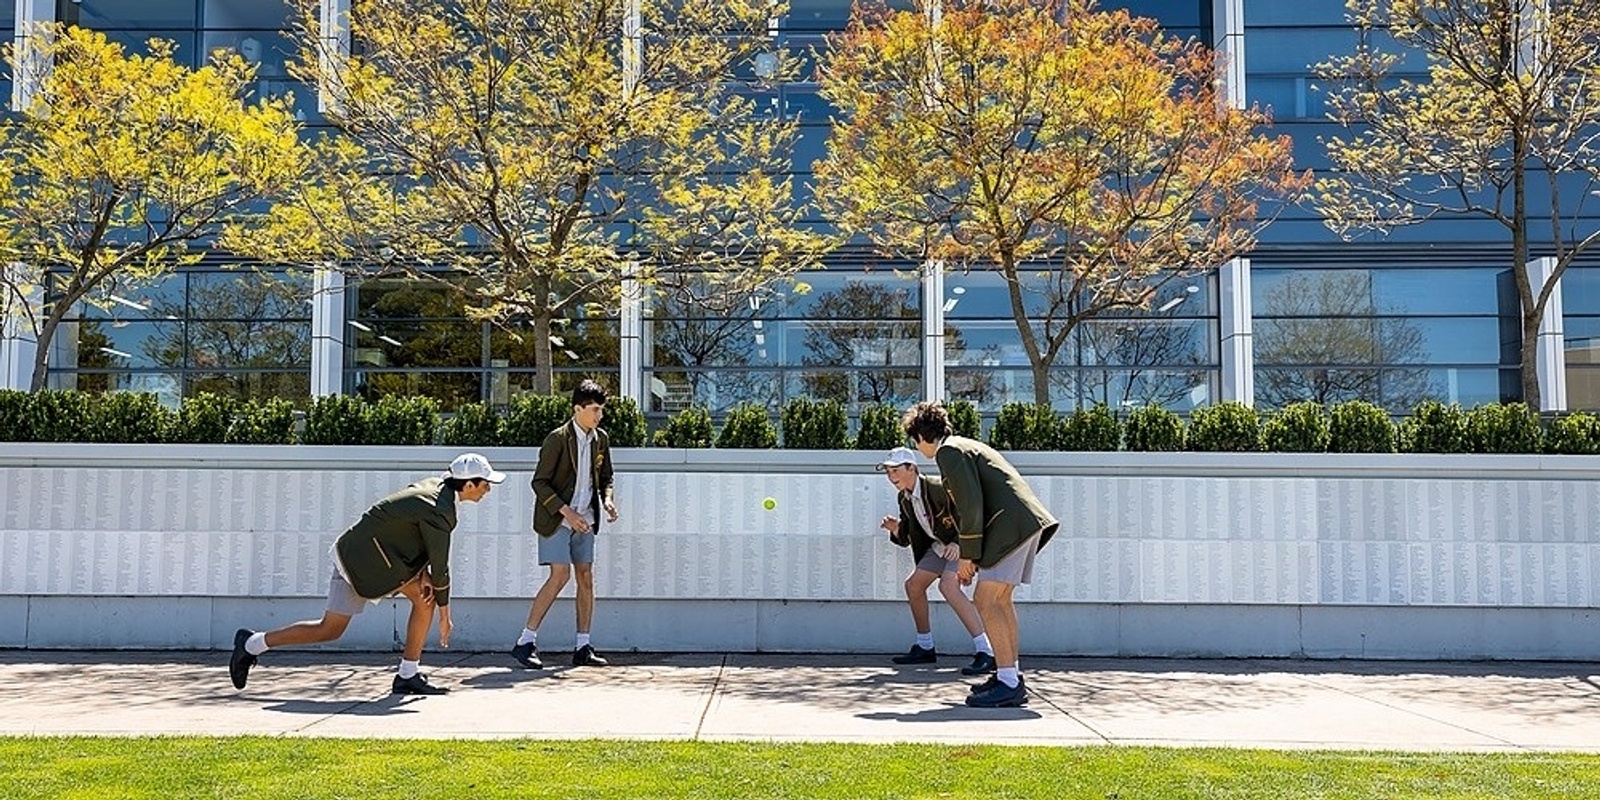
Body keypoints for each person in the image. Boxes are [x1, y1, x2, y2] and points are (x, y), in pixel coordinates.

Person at [229, 452, 507, 695]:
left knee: (424, 598)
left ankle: (408, 674)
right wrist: (446, 617)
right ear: (469, 484)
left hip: (383, 559)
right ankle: (252, 643)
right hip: (359, 561)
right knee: (330, 629)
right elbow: (440, 565)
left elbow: (412, 537)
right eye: (486, 484)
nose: (488, 490)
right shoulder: (440, 509)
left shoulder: (436, 489)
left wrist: (422, 575)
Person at [902, 401, 1058, 708]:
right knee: (999, 601)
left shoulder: (949, 452)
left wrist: (967, 556)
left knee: (987, 600)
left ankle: (1009, 681)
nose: (917, 448)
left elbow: (971, 505)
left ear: (921, 436)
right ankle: (1008, 675)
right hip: (1020, 525)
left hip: (1010, 527)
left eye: (914, 441)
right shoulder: (961, 445)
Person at [511, 379, 619, 670]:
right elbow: (540, 483)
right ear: (578, 409)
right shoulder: (557, 439)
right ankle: (525, 642)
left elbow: (607, 476)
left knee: (585, 578)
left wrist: (607, 500)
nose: (599, 416)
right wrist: (567, 513)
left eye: (601, 410)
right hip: (557, 519)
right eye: (594, 409)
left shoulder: (601, 439)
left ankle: (582, 646)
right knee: (560, 576)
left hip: (586, 519)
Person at [876, 446, 996, 676]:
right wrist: (895, 529)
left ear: (912, 468)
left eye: (895, 470)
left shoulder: (939, 488)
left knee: (948, 586)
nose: (891, 477)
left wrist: (961, 545)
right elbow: (907, 538)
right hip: (938, 547)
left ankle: (987, 651)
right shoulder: (904, 498)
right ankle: (925, 646)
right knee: (913, 585)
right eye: (888, 472)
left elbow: (970, 514)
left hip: (960, 545)